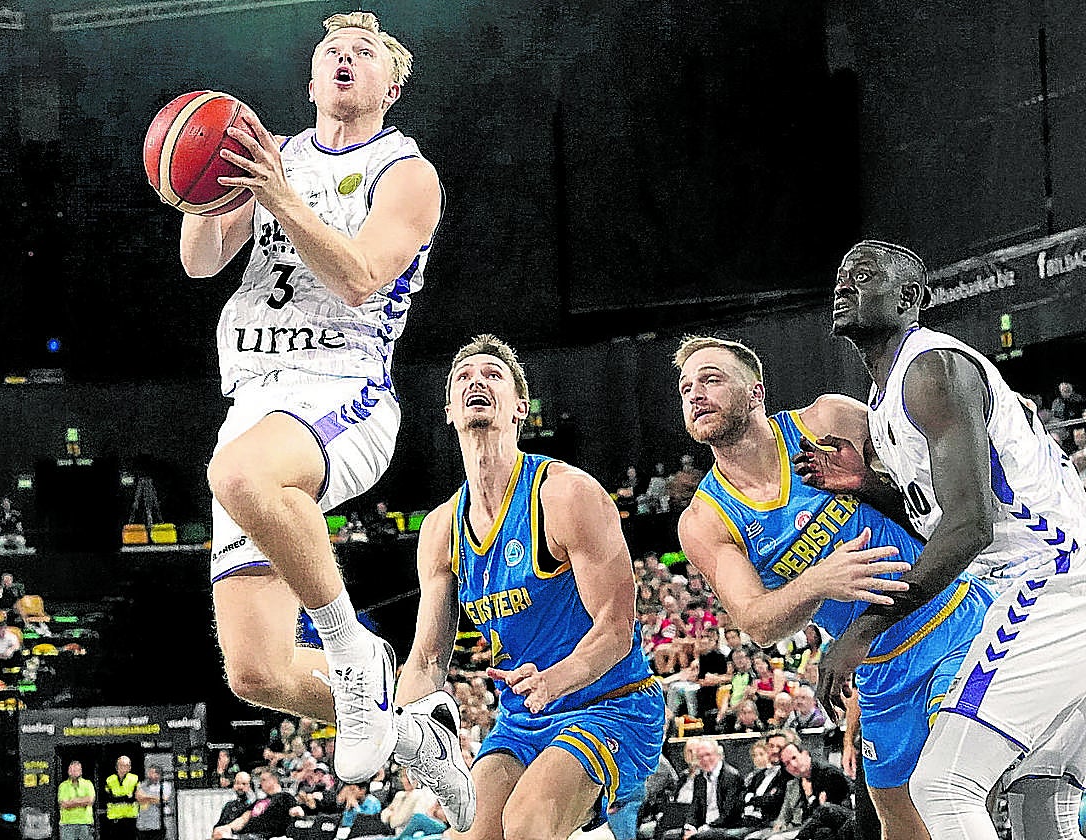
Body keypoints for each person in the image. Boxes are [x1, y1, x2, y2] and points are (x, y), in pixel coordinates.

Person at [176, 9, 441, 786]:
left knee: (236, 475)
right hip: (254, 397)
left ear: (391, 84)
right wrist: (195, 181)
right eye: (332, 50)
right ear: (312, 78)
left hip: (344, 385)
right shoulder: (270, 157)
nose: (344, 59)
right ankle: (416, 738)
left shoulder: (407, 171)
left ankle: (352, 649)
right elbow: (200, 262)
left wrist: (280, 195)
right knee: (253, 674)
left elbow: (362, 278)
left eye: (363, 52)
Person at [800, 240, 1086, 838]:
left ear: (910, 298)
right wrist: (869, 484)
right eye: (839, 277)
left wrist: (862, 630)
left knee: (944, 784)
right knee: (1039, 789)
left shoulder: (932, 368)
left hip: (1053, 581)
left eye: (862, 276)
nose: (842, 286)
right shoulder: (884, 402)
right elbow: (939, 507)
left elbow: (970, 524)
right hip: (1056, 582)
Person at [673, 335, 993, 839]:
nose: (695, 393)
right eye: (686, 387)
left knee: (955, 780)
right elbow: (758, 622)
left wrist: (866, 482)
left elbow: (939, 488)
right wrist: (820, 579)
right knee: (896, 815)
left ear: (756, 392)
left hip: (954, 619)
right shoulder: (704, 518)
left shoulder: (826, 421)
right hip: (876, 667)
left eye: (711, 379)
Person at [393, 335, 664, 839]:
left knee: (526, 822)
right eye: (464, 377)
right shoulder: (439, 529)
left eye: (492, 374)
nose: (477, 381)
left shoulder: (567, 493)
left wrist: (555, 679)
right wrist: (404, 730)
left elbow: (617, 628)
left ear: (520, 406)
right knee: (470, 830)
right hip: (522, 723)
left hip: (609, 703)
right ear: (448, 411)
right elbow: (427, 660)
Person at [212, 768, 300, 839]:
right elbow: (243, 819)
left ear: (273, 780)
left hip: (267, 836)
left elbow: (296, 810)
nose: (260, 783)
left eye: (263, 780)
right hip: (246, 835)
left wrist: (296, 811)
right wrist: (227, 828)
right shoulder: (259, 801)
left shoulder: (285, 797)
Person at [103, 756, 139, 840]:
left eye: (126, 765)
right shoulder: (109, 780)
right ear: (116, 767)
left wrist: (118, 797)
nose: (124, 767)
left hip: (130, 819)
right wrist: (125, 797)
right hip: (114, 819)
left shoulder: (135, 778)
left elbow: (135, 796)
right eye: (121, 765)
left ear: (130, 767)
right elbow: (108, 797)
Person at [58, 760, 96, 840]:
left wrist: (73, 801)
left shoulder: (88, 784)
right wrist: (82, 801)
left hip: (85, 823)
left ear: (81, 771)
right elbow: (65, 804)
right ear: (69, 771)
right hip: (67, 825)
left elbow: (90, 800)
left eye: (77, 770)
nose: (74, 772)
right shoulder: (63, 786)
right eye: (72, 770)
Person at [134, 764, 172, 840]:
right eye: (148, 773)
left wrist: (146, 797)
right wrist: (153, 798)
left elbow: (163, 799)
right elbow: (138, 797)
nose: (148, 775)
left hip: (158, 825)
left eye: (151, 773)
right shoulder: (142, 785)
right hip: (142, 824)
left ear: (158, 775)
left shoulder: (165, 785)